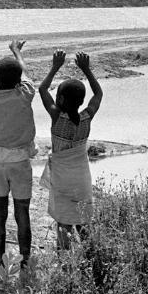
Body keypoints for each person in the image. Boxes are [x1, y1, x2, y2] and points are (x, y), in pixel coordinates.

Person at [0, 40, 37, 267]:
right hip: (20, 159)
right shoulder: (25, 94)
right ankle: (25, 261)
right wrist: (16, 51)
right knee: (22, 211)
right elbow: (24, 72)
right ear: (18, 81)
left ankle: (1, 260)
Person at [38, 50, 103, 249]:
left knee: (63, 221)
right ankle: (91, 256)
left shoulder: (57, 117)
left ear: (61, 99)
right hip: (82, 178)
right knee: (83, 221)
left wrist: (55, 67)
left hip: (62, 180)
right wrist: (86, 70)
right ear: (82, 101)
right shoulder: (87, 117)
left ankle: (64, 258)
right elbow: (98, 94)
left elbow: (42, 89)